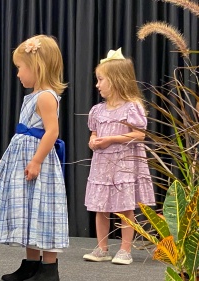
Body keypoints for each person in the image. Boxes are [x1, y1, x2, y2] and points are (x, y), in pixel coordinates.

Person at [0, 35, 69, 281]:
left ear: (36, 67)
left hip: (38, 162)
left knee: (44, 210)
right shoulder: (33, 96)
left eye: (20, 68)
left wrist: (36, 161)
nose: (18, 74)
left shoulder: (45, 96)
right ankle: (31, 264)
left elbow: (52, 132)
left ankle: (49, 269)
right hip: (25, 159)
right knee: (30, 211)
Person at [82, 48, 155, 265]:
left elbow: (139, 134)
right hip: (103, 164)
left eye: (101, 79)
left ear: (115, 81)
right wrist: (93, 140)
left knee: (124, 207)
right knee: (101, 207)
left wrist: (112, 139)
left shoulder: (132, 107)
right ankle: (102, 247)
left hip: (123, 164)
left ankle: (125, 249)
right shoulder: (98, 110)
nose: (97, 84)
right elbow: (94, 132)